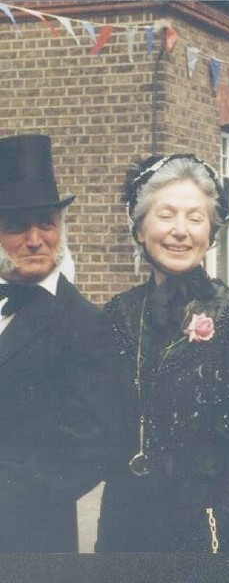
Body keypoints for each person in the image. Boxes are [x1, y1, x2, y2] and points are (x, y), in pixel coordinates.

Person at [95, 154, 229, 552]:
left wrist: (213, 521)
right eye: (166, 215)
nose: (180, 231)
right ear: (140, 228)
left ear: (211, 234)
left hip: (214, 533)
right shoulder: (118, 314)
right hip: (127, 530)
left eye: (195, 218)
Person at [0, 134, 127, 552]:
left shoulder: (86, 323)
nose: (35, 239)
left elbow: (96, 443)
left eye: (46, 224)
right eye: (17, 226)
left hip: (29, 536)